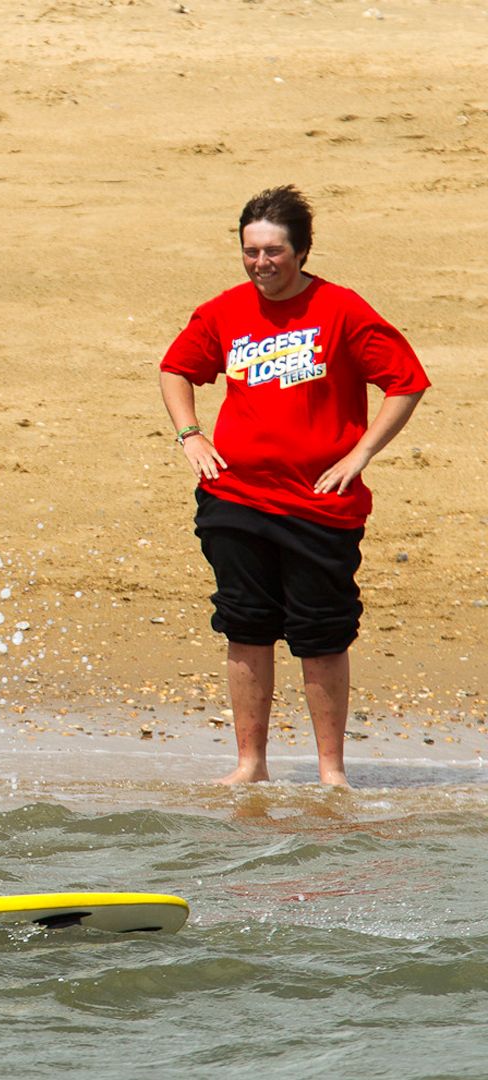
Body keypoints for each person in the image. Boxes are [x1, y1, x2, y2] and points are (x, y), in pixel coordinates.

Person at [158, 185, 428, 788]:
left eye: (274, 252)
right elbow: (177, 368)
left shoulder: (342, 310)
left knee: (320, 635)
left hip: (320, 504)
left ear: (302, 251)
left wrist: (360, 454)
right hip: (235, 498)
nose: (261, 264)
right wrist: (191, 435)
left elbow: (406, 382)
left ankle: (332, 773)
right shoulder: (223, 311)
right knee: (246, 624)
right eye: (251, 251)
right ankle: (250, 766)